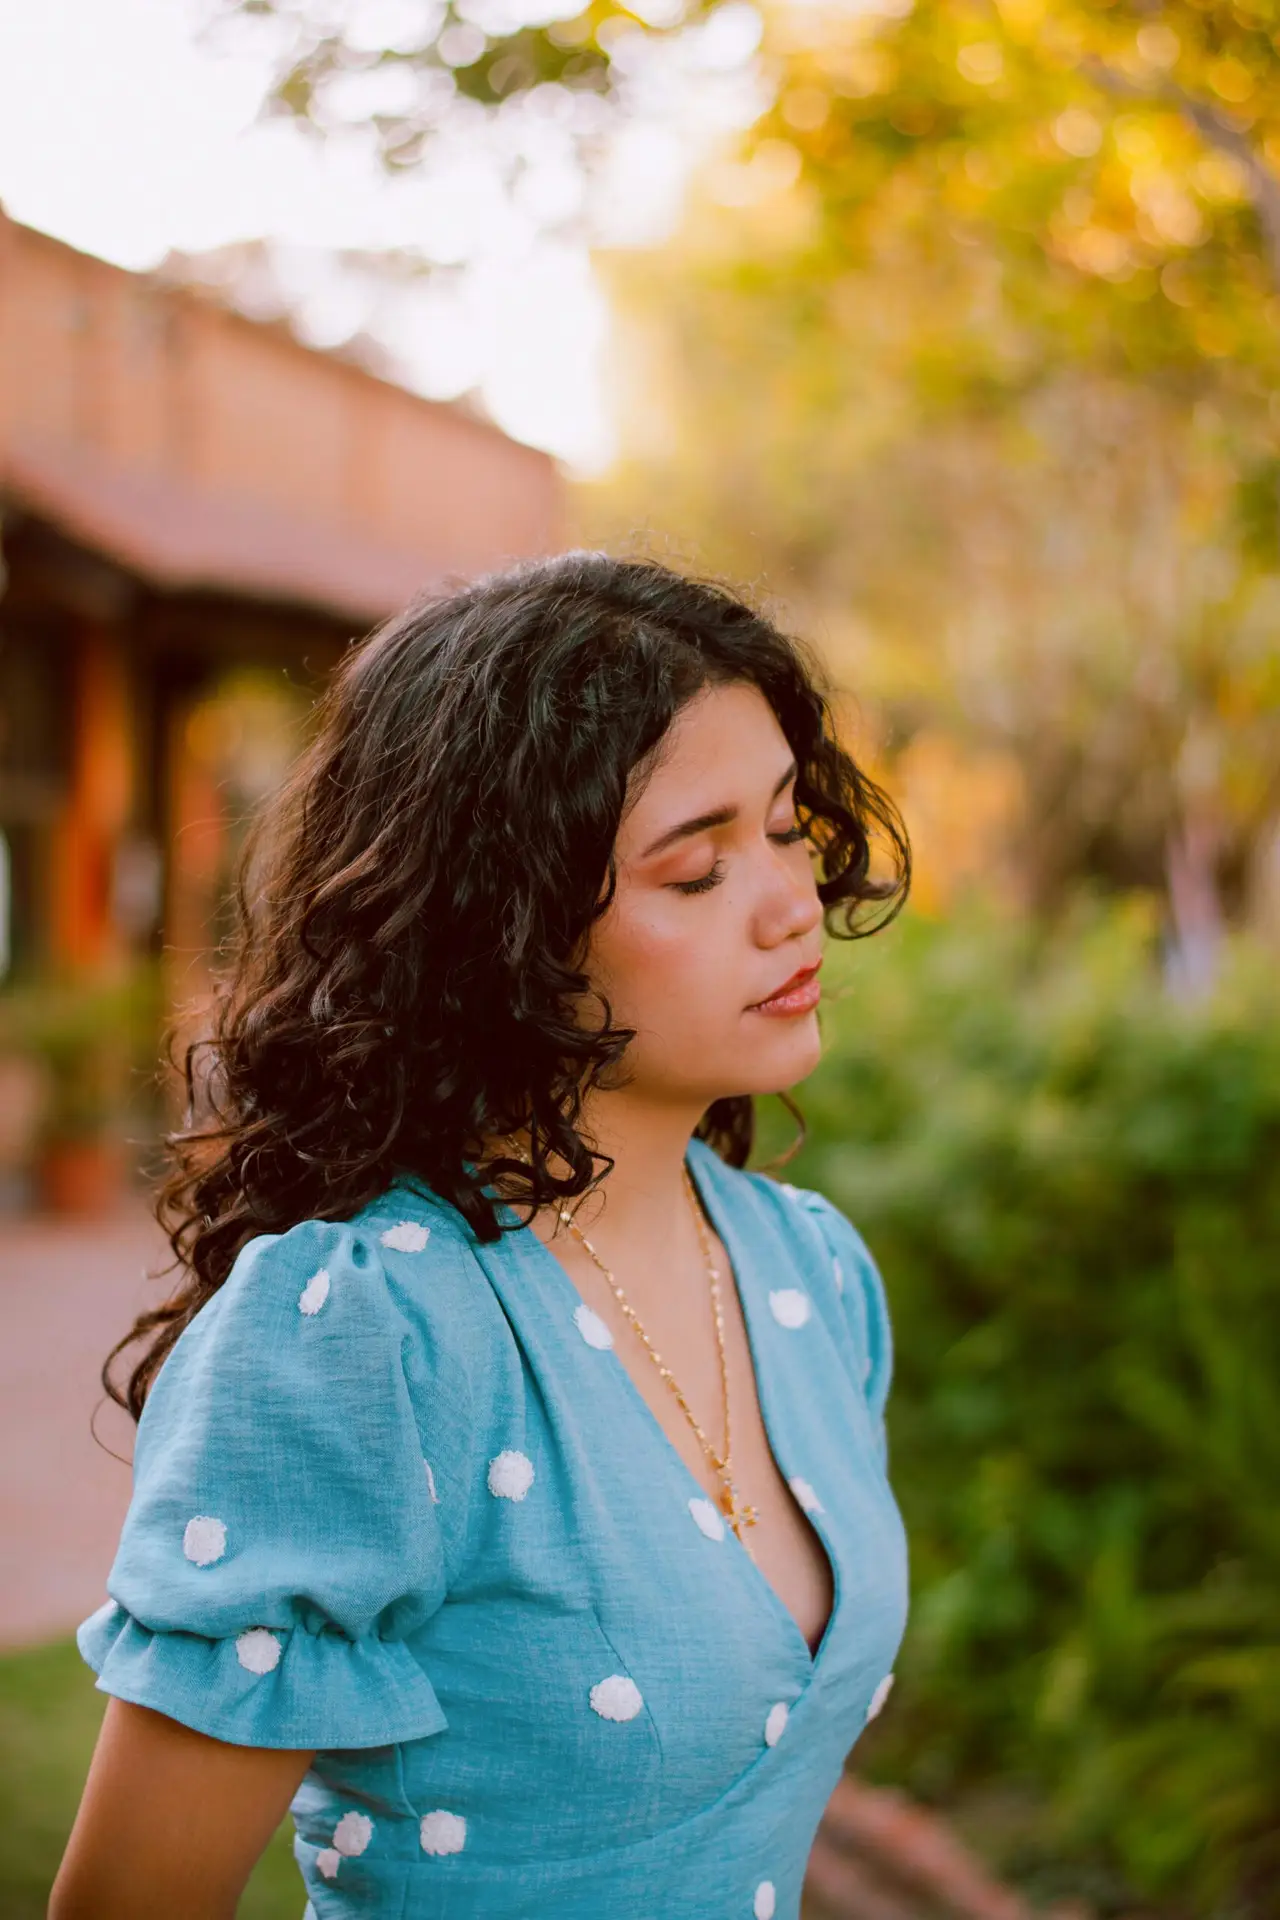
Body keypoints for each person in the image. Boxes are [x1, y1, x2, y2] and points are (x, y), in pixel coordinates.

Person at [52, 551, 912, 1920]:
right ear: (499, 930)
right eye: (696, 870)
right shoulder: (367, 1334)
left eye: (789, 828)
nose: (792, 900)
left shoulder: (812, 1273)